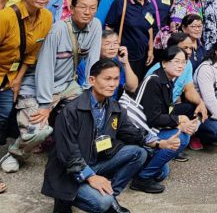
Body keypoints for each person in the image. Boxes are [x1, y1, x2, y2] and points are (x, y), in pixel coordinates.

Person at [6, 0, 102, 172]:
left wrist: (90, 92)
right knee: (39, 131)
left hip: (67, 84)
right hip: (38, 85)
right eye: (82, 7)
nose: (87, 12)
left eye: (92, 8)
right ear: (71, 8)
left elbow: (93, 61)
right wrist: (45, 104)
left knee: (89, 114)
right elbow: (44, 67)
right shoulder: (58, 29)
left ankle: (67, 153)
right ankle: (15, 153)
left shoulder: (96, 26)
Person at [42, 59, 156, 213]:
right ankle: (65, 199)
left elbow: (131, 132)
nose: (113, 84)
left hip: (95, 161)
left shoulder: (114, 107)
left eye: (116, 79)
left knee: (139, 153)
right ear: (92, 80)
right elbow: (68, 154)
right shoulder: (71, 111)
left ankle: (109, 193)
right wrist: (91, 177)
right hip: (68, 172)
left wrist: (156, 142)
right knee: (102, 203)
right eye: (107, 79)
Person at [0, 0, 54, 177]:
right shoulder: (6, 16)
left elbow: (32, 53)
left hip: (12, 75)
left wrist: (18, 79)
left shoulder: (47, 17)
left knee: (4, 112)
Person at [134, 46, 197, 193]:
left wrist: (181, 122)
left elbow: (165, 112)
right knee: (181, 138)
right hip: (140, 133)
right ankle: (142, 178)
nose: (180, 65)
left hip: (152, 129)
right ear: (164, 63)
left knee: (162, 173)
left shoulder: (168, 80)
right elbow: (153, 118)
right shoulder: (154, 81)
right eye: (176, 61)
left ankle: (145, 168)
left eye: (183, 62)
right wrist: (179, 120)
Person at [104, 0, 156, 81]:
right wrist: (111, 48)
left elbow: (150, 27)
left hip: (142, 56)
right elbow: (109, 27)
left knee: (138, 85)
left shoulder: (149, 5)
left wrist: (150, 50)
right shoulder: (121, 2)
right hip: (124, 55)